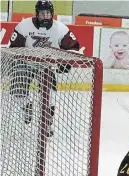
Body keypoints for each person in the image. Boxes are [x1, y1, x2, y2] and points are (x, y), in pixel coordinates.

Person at [8, 0, 80, 137]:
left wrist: (65, 63)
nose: (45, 16)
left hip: (46, 67)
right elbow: (14, 48)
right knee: (17, 92)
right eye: (42, 13)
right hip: (26, 64)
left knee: (50, 97)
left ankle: (47, 124)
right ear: (37, 14)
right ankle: (27, 106)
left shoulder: (60, 29)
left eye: (48, 13)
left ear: (52, 14)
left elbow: (73, 47)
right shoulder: (24, 26)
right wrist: (16, 62)